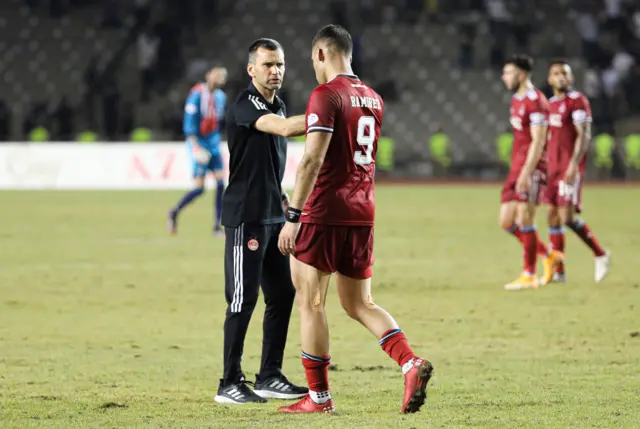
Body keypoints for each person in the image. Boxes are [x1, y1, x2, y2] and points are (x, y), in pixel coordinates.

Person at [277, 24, 433, 415]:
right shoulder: (373, 98)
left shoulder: (325, 95)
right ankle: (410, 362)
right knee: (360, 302)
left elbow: (312, 159)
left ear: (320, 55)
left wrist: (293, 215)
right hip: (362, 211)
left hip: (323, 211)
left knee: (311, 301)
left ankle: (318, 398)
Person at [214, 38, 308, 405]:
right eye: (268, 65)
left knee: (283, 294)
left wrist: (283, 201)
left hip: (272, 215)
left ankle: (268, 374)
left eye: (280, 64)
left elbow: (271, 160)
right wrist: (327, 117)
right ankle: (229, 382)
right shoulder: (245, 103)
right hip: (245, 217)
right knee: (242, 298)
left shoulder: (279, 103)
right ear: (251, 69)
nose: (276, 71)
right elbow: (283, 129)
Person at [498, 55, 564, 291]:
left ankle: (529, 274)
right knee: (506, 221)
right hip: (517, 166)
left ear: (521, 74)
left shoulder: (536, 101)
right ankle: (549, 255)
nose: (504, 77)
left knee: (526, 217)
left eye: (508, 73)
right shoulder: (516, 100)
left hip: (533, 166)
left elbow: (538, 141)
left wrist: (527, 172)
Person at [544, 60, 610, 283]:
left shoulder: (577, 101)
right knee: (552, 218)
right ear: (549, 80)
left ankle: (600, 254)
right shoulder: (549, 105)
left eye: (565, 73)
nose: (561, 76)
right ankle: (559, 271)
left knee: (567, 217)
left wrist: (573, 163)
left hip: (568, 168)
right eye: (556, 73)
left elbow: (584, 135)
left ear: (571, 79)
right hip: (552, 169)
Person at [168, 65, 227, 235]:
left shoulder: (221, 97)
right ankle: (174, 212)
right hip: (199, 144)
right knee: (200, 188)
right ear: (208, 75)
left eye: (223, 75)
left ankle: (217, 225)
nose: (221, 77)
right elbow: (190, 122)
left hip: (214, 144)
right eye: (218, 74)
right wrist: (195, 147)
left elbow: (217, 122)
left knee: (221, 183)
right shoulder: (196, 94)